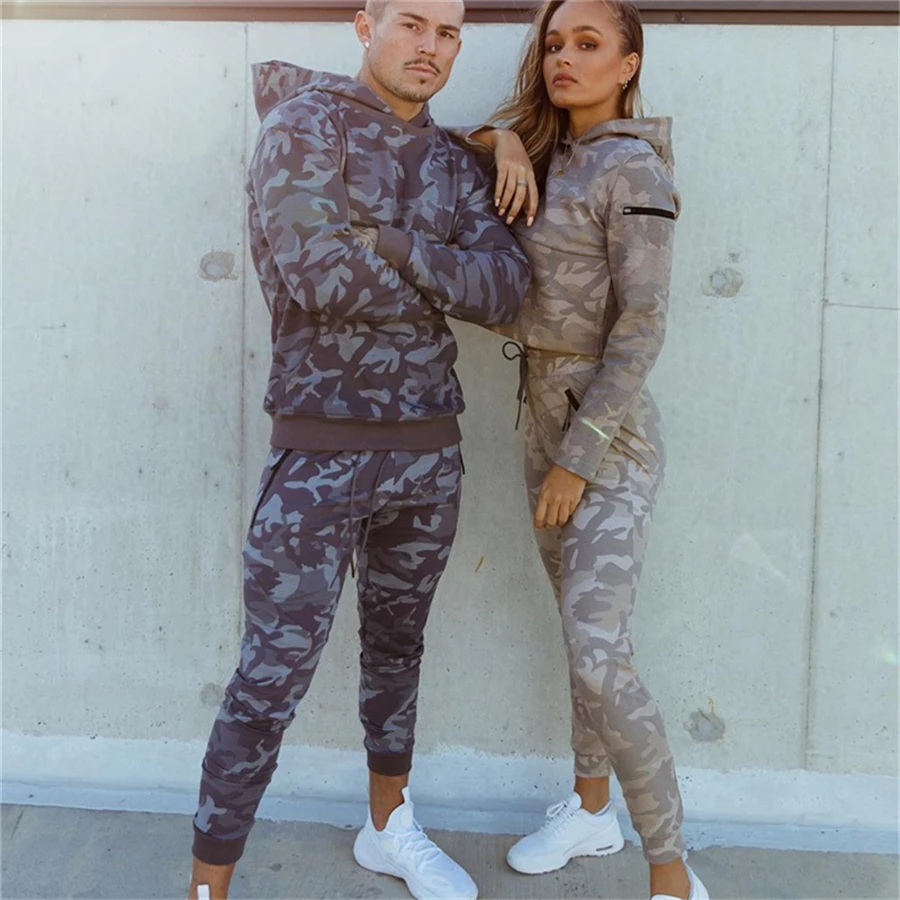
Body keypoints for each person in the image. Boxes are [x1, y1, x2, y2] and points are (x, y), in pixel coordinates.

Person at [187, 2, 530, 898]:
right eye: (411, 22)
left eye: (447, 32)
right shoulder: (304, 127)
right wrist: (440, 279)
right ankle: (208, 885)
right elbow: (318, 275)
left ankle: (388, 827)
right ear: (364, 24)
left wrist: (389, 240)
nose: (430, 46)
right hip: (319, 451)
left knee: (397, 652)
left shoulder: (453, 159)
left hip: (429, 452)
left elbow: (507, 289)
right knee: (270, 680)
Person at [456, 2, 708, 898]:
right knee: (579, 636)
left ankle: (670, 871)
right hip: (541, 419)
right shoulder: (548, 149)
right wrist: (504, 141)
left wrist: (578, 460)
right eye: (555, 43)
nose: (564, 57)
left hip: (608, 437)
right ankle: (591, 810)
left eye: (588, 44)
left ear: (628, 64)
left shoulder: (633, 167)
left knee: (597, 648)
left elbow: (642, 327)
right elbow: (447, 142)